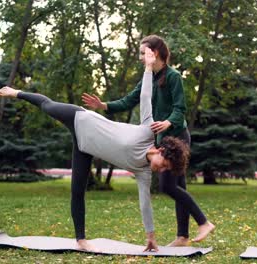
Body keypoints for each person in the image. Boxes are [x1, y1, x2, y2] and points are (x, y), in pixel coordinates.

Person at [0, 47, 191, 252]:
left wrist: (151, 237)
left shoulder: (143, 173)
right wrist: (149, 68)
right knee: (47, 105)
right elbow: (144, 97)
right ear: (161, 152)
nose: (162, 171)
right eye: (165, 166)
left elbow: (145, 203)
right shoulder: (147, 130)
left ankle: (80, 239)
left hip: (85, 147)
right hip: (81, 119)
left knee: (77, 190)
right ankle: (16, 92)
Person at [82, 35, 215, 246]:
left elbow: (180, 109)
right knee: (177, 186)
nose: (141, 58)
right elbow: (129, 100)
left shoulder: (173, 77)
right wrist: (103, 106)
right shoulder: (150, 78)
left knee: (167, 186)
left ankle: (204, 222)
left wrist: (168, 123)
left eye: (144, 53)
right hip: (164, 139)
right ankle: (183, 236)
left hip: (177, 137)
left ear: (156, 53)